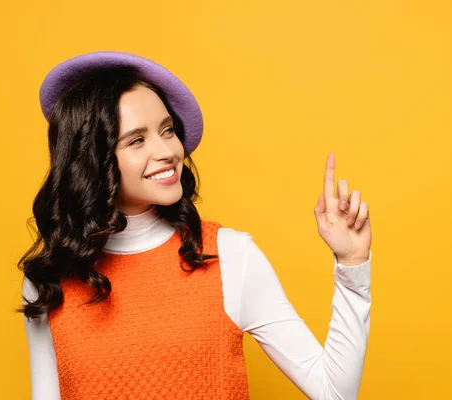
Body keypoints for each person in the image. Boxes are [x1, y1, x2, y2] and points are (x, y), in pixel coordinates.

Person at [18, 51, 373, 400]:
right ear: (91, 159)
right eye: (137, 140)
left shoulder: (229, 255)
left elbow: (334, 392)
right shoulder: (48, 282)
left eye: (168, 130)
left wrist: (352, 264)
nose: (168, 151)